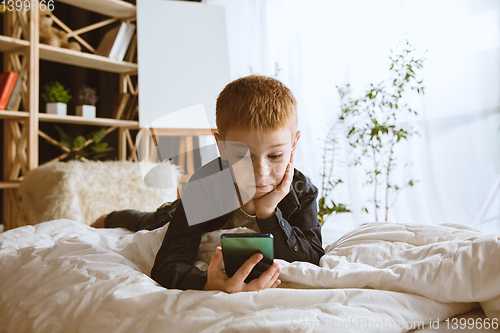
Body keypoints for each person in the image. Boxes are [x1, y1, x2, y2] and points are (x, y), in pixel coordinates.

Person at [92, 75, 323, 293]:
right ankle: (113, 216)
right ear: (222, 146)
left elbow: (312, 256)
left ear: (293, 145)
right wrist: (207, 283)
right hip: (176, 211)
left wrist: (268, 214)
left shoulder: (303, 191)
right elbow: (168, 264)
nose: (260, 173)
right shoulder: (203, 187)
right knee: (151, 220)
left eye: (275, 156)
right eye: (244, 156)